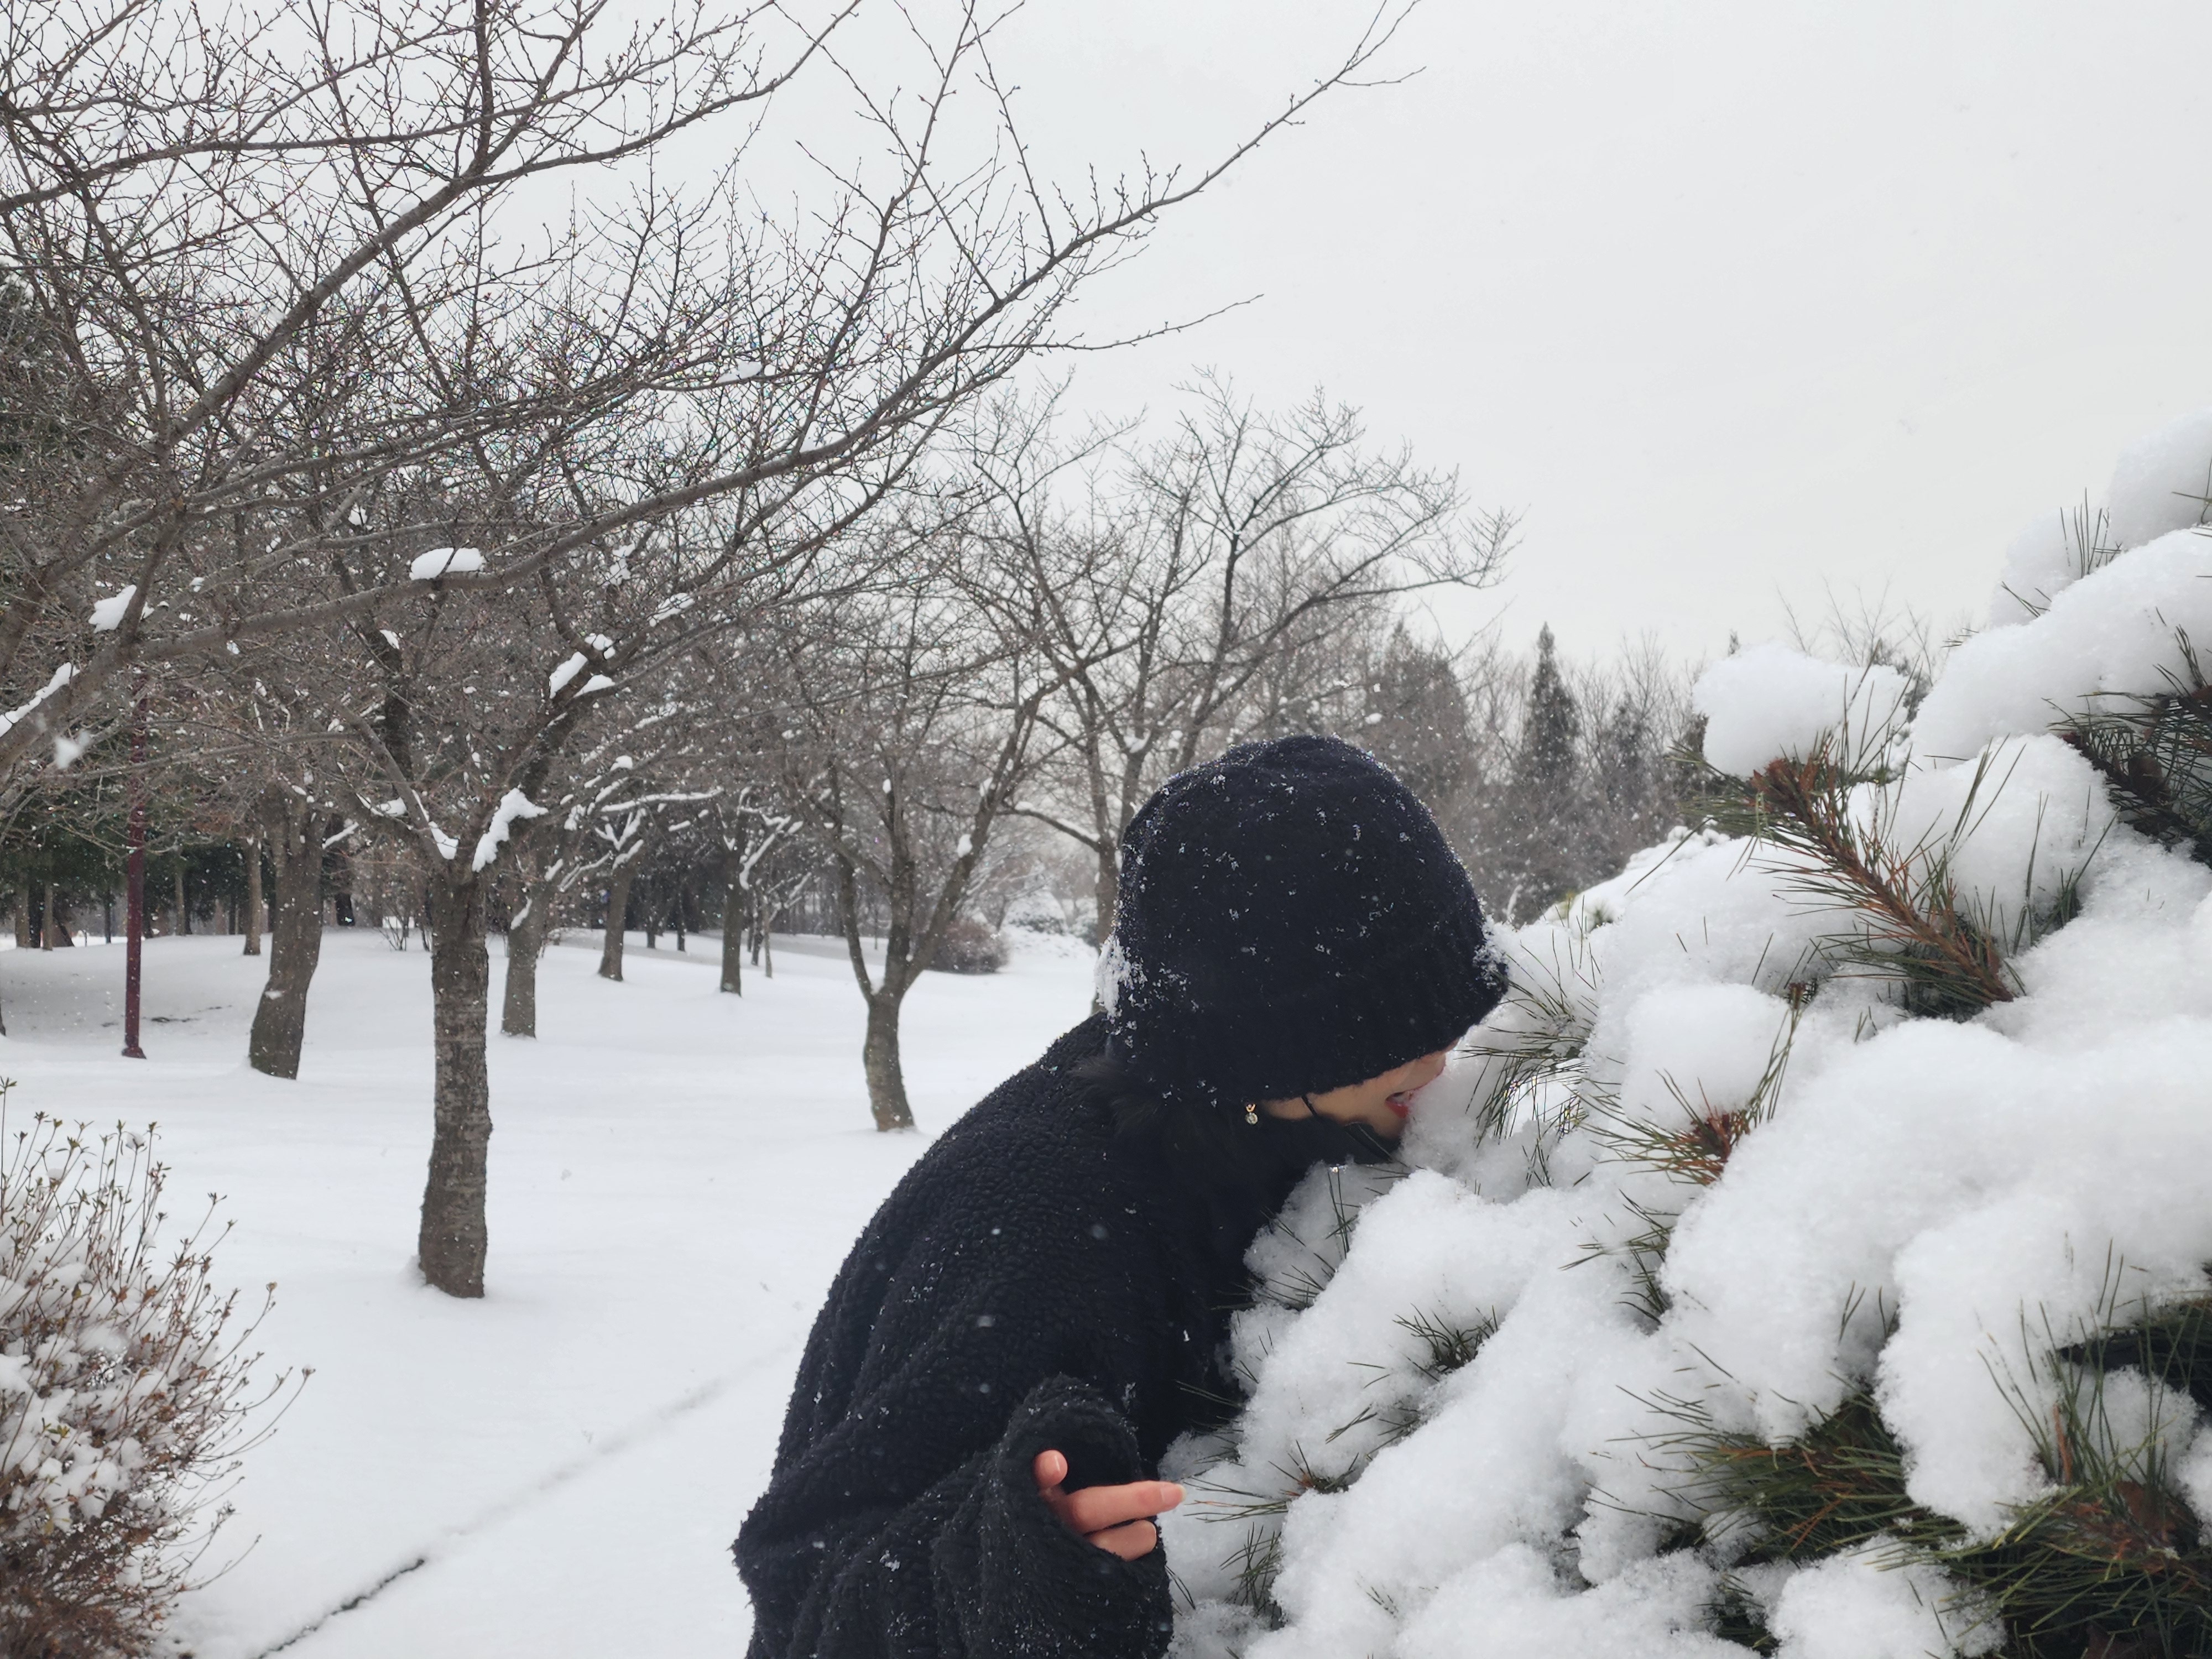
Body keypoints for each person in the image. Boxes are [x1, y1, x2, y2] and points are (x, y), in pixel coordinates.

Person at [734, 734, 1509, 1658]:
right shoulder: (1040, 1227)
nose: (1440, 1061)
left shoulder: (1257, 1118)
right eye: (1394, 1032)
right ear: (1269, 1042)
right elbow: (808, 1596)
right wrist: (1019, 1567)